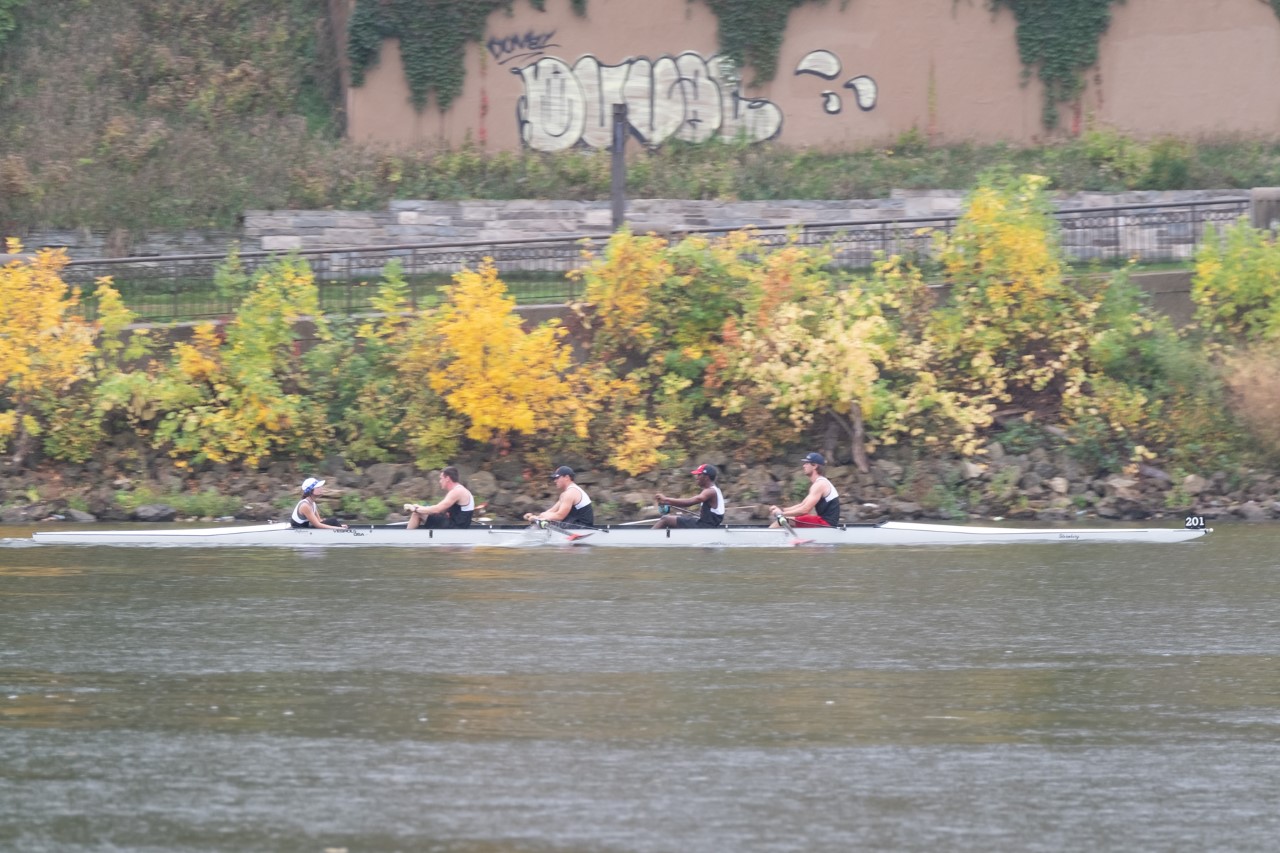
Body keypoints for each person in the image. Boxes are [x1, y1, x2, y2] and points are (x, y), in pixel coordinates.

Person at [769, 452, 840, 527]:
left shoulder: (820, 484)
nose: (803, 466)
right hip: (823, 522)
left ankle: (766, 538)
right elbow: (802, 505)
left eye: (806, 463)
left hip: (826, 524)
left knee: (781, 521)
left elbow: (805, 510)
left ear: (815, 466)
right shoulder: (818, 483)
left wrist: (781, 514)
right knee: (785, 520)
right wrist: (782, 510)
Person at [653, 463, 725, 528]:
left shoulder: (710, 491)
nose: (696, 477)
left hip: (704, 527)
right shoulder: (714, 490)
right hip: (706, 525)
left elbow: (690, 502)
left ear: (706, 477)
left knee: (665, 519)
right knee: (678, 519)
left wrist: (666, 500)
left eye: (699, 475)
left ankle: (646, 539)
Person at [404, 466, 475, 529]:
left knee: (417, 513)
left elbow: (437, 509)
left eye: (441, 478)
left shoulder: (457, 491)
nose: (440, 481)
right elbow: (441, 510)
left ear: (447, 478)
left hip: (456, 528)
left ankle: (406, 538)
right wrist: (421, 508)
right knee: (422, 511)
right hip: (455, 524)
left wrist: (416, 509)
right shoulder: (458, 490)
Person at [524, 465, 594, 527]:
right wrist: (537, 517)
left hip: (582, 528)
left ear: (566, 477)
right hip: (573, 525)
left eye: (557, 478)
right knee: (543, 523)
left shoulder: (571, 493)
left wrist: (539, 518)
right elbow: (552, 511)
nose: (555, 481)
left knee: (544, 524)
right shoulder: (565, 494)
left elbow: (559, 516)